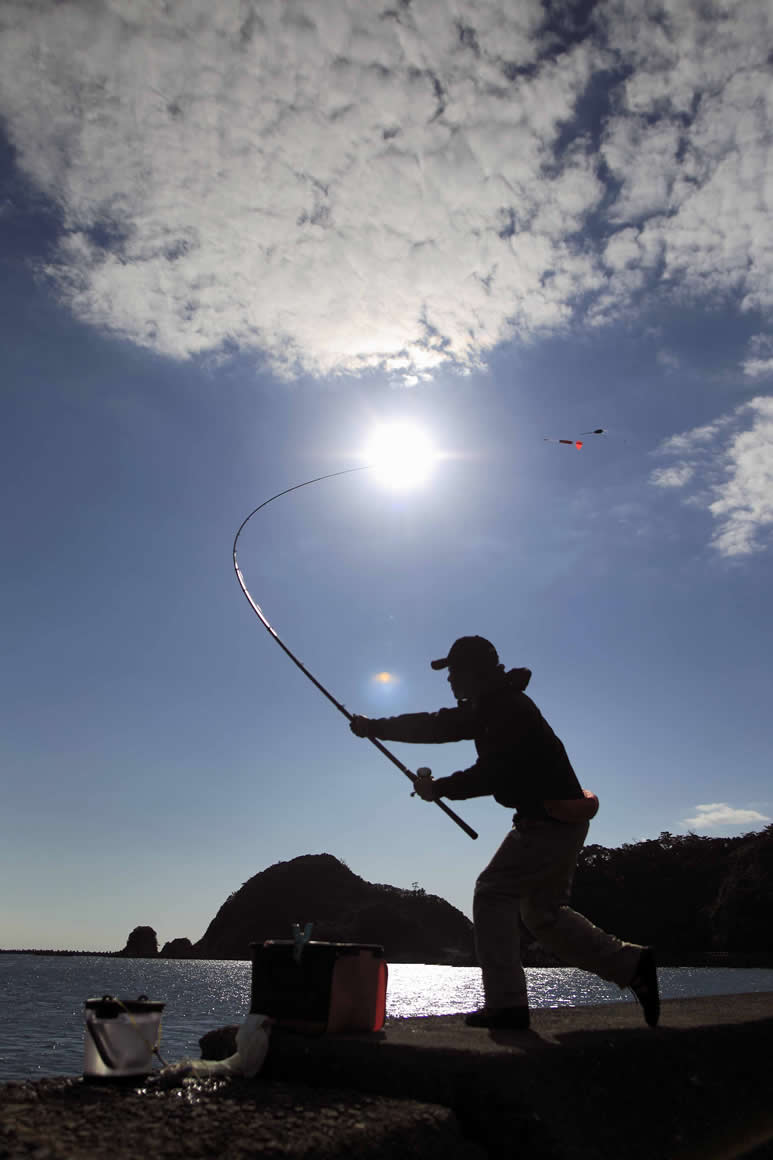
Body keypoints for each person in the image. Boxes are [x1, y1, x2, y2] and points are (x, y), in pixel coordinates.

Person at [350, 635, 659, 1030]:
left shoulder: (506, 709)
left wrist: (440, 788)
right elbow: (436, 725)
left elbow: (496, 773)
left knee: (492, 892)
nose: (450, 682)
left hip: (546, 820)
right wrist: (374, 727)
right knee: (542, 914)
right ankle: (632, 964)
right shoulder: (492, 705)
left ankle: (507, 1005)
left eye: (454, 673)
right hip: (558, 820)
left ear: (472, 672)